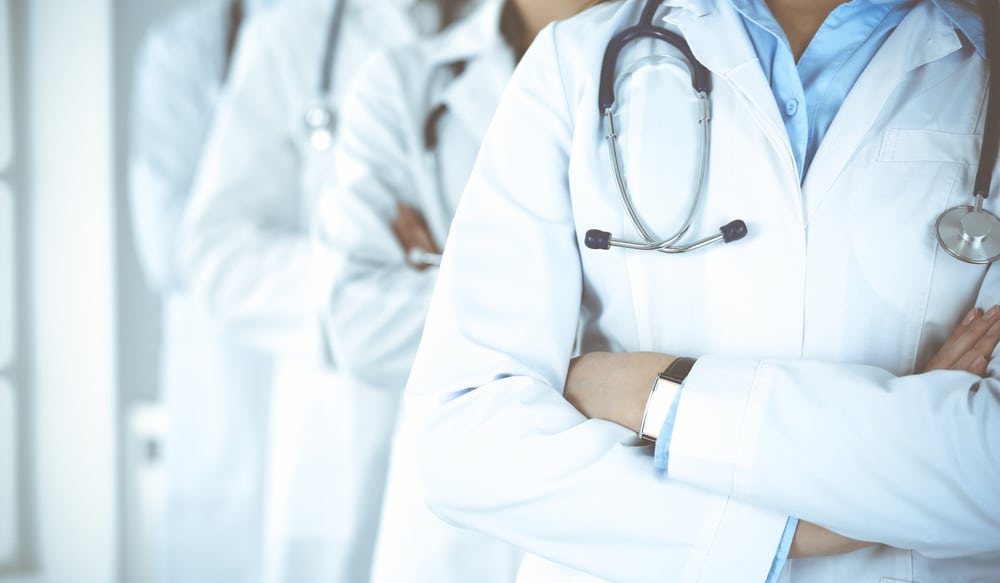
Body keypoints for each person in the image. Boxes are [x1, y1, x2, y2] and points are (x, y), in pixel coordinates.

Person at [404, 0, 1000, 581]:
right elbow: (465, 442)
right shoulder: (574, 63)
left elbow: (989, 469)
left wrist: (653, 396)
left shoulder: (981, 72)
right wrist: (803, 528)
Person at [177, 0, 470, 580]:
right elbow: (216, 254)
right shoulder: (294, 37)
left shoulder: (528, 28)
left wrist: (435, 283)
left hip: (480, 423)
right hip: (340, 418)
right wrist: (367, 284)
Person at [315, 0, 596, 580]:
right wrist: (603, 360)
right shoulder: (403, 83)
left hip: (613, 508)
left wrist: (464, 283)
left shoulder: (697, 71)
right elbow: (360, 324)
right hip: (449, 534)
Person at [128, 1, 277, 581]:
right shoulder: (180, 51)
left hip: (329, 375)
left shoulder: (359, 30)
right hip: (219, 368)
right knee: (223, 548)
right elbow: (169, 246)